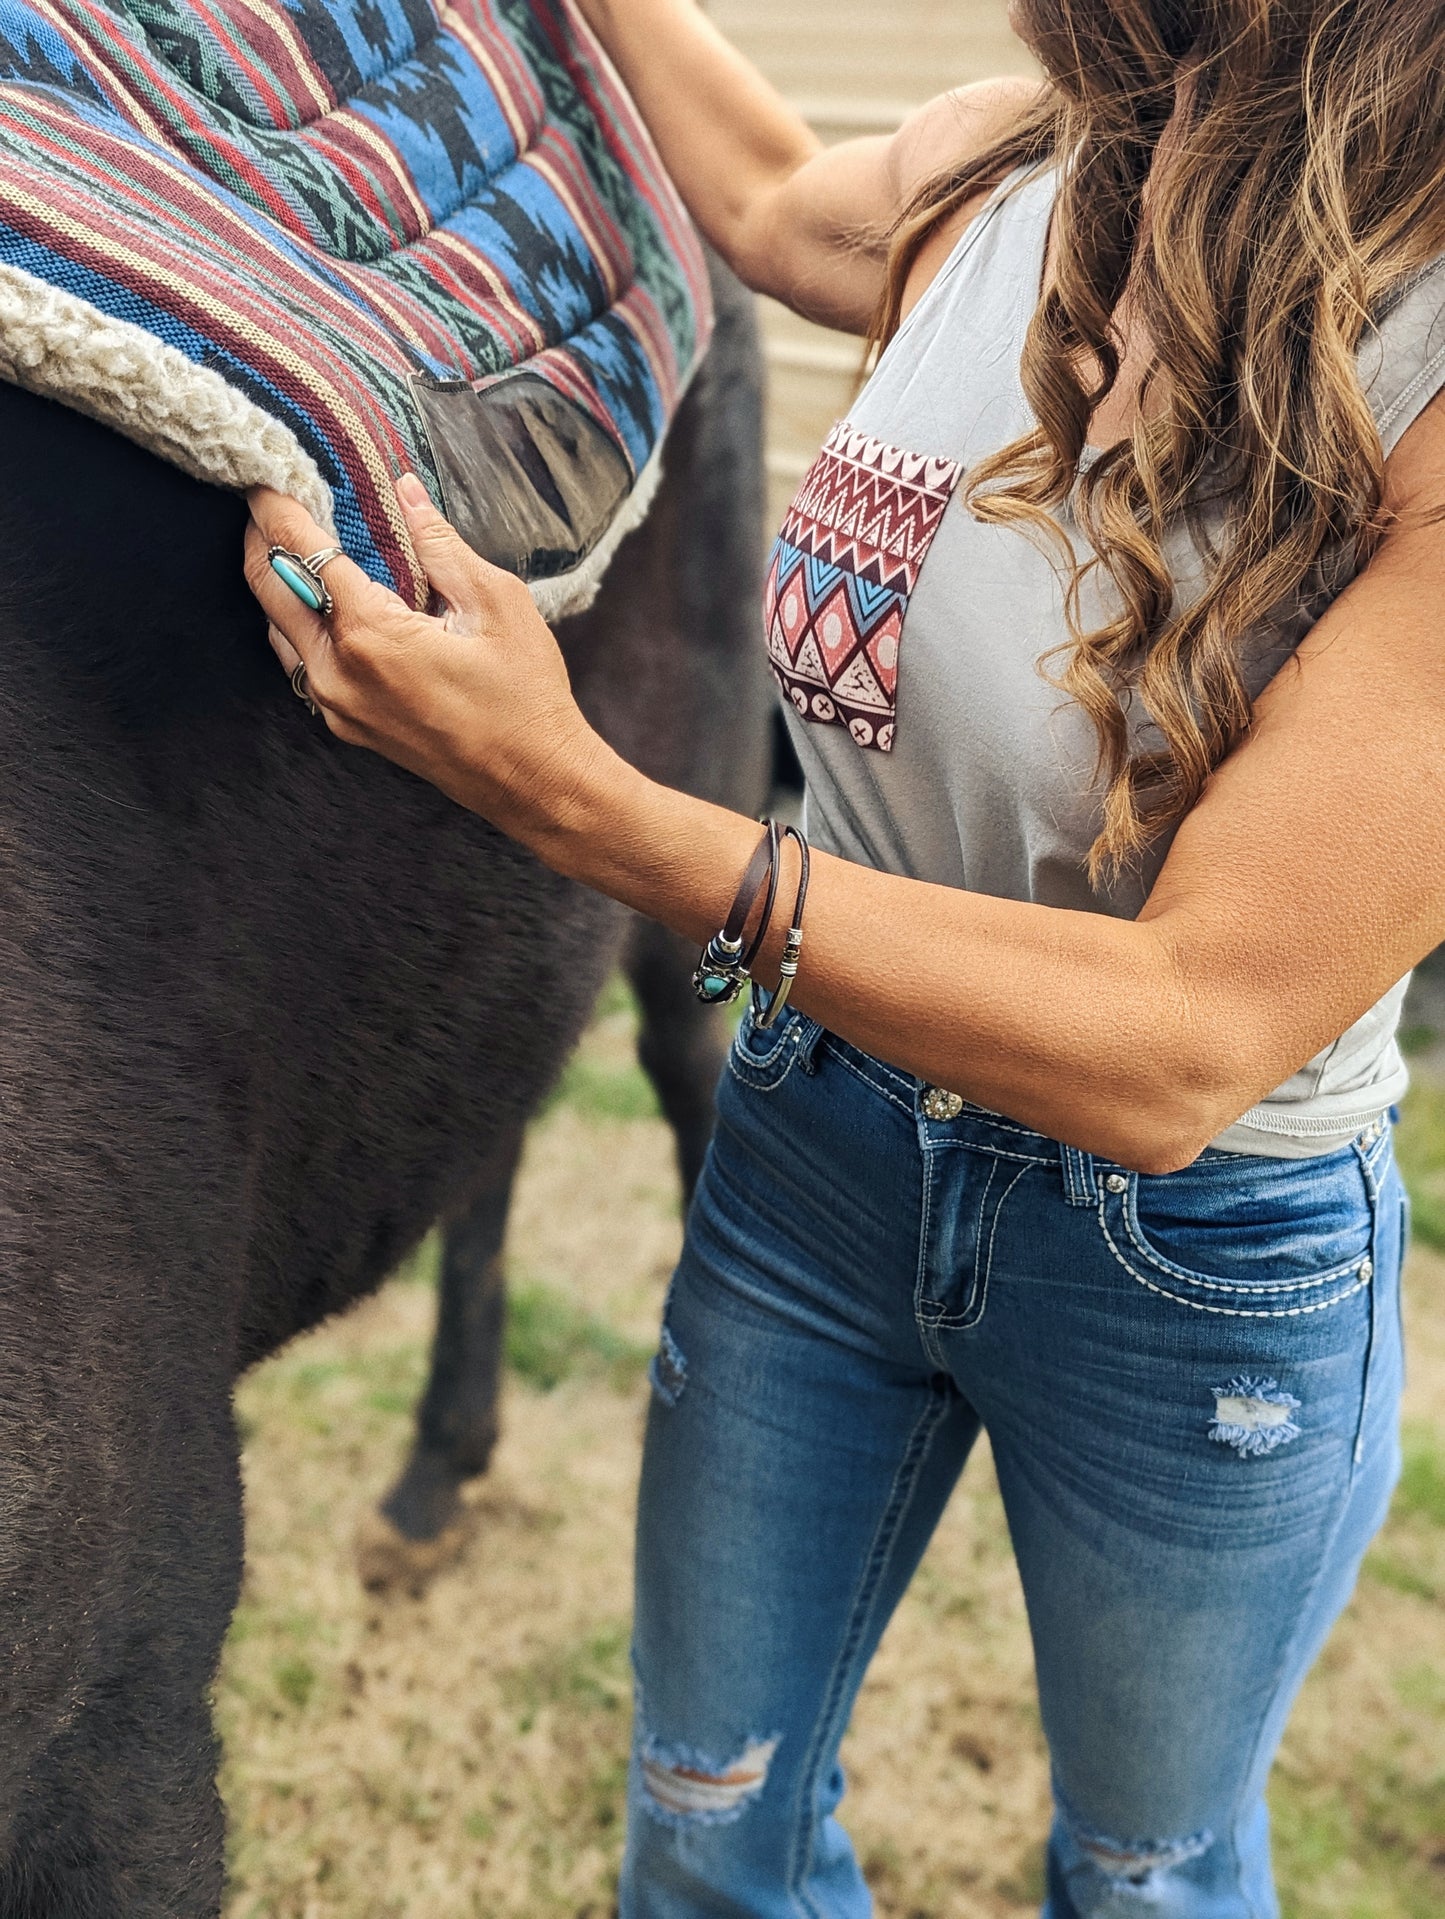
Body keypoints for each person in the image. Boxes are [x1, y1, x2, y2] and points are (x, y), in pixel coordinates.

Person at [246, 3, 1445, 1912]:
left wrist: (577, 798)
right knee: (705, 1818)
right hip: (818, 1150)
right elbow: (751, 187)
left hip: (1190, 1261)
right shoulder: (1005, 175)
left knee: (1148, 1871)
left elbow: (1181, 1042)